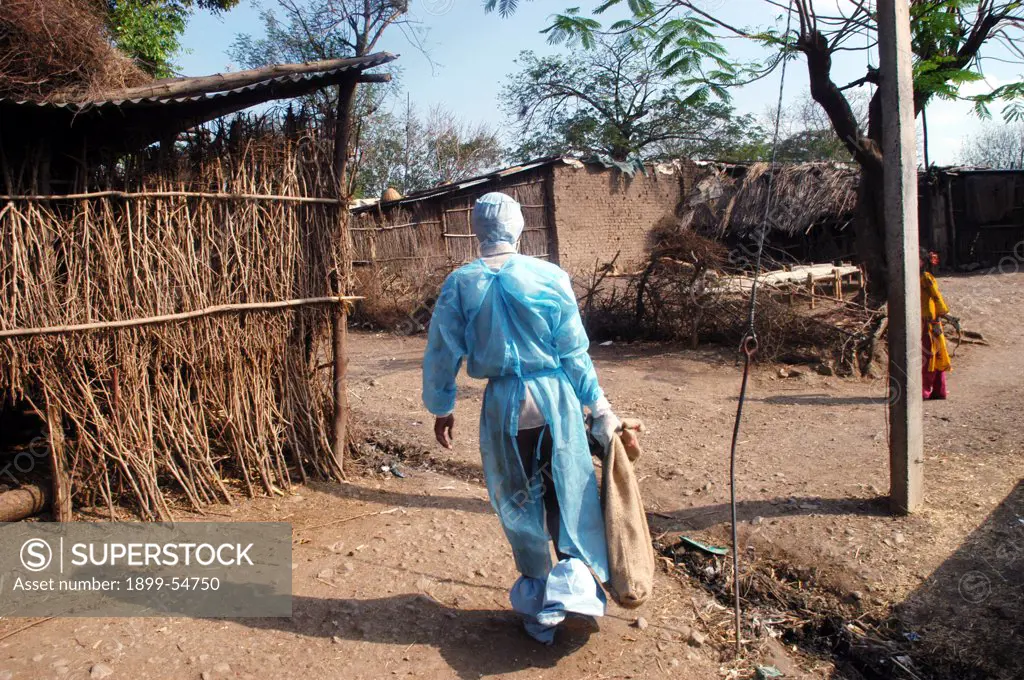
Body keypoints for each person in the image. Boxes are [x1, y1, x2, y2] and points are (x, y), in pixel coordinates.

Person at [422, 192, 620, 644]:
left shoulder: (460, 283)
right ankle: (573, 585)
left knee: (518, 499)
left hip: (503, 406)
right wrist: (600, 408)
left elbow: (441, 351)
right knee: (567, 489)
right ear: (519, 227)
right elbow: (574, 352)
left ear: (477, 229)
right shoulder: (549, 275)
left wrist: (443, 407)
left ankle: (538, 609)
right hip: (554, 398)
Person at [920, 248, 952, 400]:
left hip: (929, 322)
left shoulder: (926, 278)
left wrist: (943, 314)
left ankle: (927, 390)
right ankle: (937, 390)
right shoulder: (912, 278)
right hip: (919, 321)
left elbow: (937, 297)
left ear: (922, 262)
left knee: (929, 356)